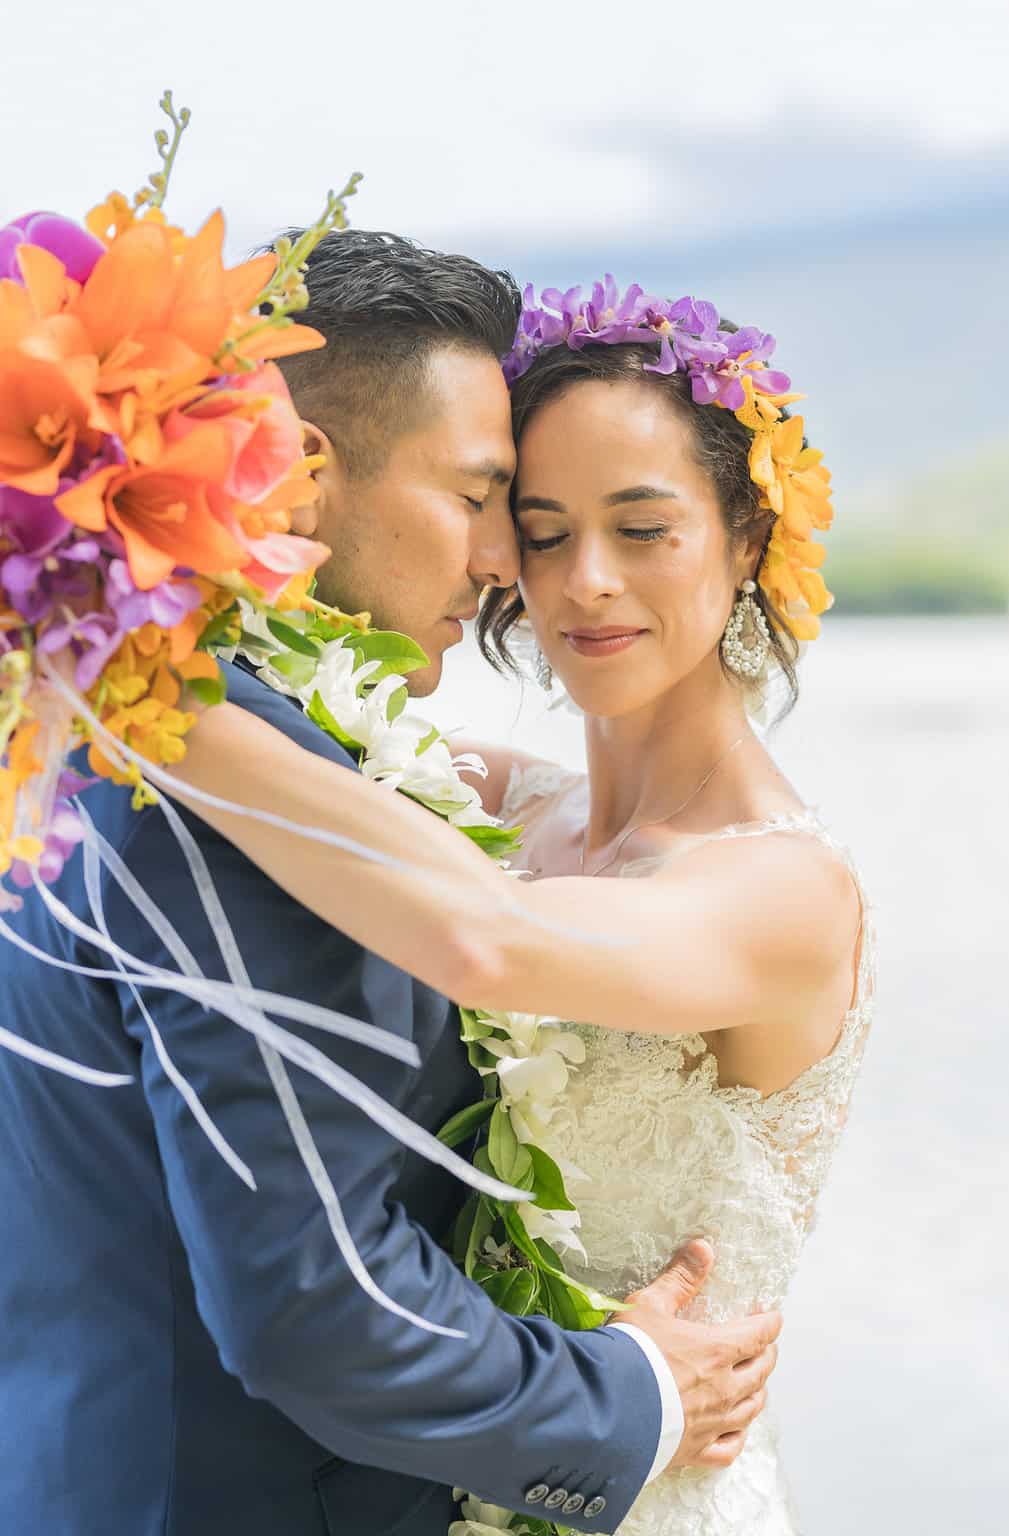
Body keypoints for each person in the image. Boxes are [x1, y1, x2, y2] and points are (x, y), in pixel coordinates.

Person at [0, 236, 780, 1536]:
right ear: (303, 477)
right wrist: (630, 1397)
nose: (502, 567)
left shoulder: (84, 728)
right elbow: (315, 1312)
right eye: (483, 498)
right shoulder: (246, 790)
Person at [166, 277, 875, 1535]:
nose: (584, 581)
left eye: (642, 528)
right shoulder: (478, 795)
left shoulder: (785, 891)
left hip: (655, 1485)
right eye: (541, 531)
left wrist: (124, 662)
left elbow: (492, 942)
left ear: (749, 537)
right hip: (449, 1470)